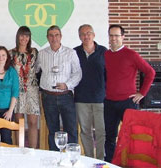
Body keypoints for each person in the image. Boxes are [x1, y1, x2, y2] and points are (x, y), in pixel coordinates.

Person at [104, 24, 155, 162]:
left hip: (128, 102)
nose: (113, 38)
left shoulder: (131, 55)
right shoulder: (107, 55)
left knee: (132, 135)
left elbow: (151, 72)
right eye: (111, 35)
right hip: (109, 102)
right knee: (109, 137)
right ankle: (110, 163)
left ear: (123, 37)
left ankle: (134, 163)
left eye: (116, 35)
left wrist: (142, 93)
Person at [37, 25, 82, 151]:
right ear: (47, 37)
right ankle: (54, 159)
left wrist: (67, 85)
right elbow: (35, 71)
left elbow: (78, 73)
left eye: (56, 35)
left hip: (66, 96)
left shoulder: (71, 53)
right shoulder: (41, 54)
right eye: (51, 35)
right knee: (53, 130)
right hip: (48, 97)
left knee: (71, 129)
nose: (54, 38)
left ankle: (71, 158)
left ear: (61, 36)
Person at [74, 24, 106, 159]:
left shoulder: (104, 51)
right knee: (85, 132)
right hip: (81, 99)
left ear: (93, 35)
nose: (86, 36)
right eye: (82, 34)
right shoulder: (74, 52)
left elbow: (109, 74)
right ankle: (88, 158)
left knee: (101, 132)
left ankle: (99, 159)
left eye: (88, 33)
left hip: (100, 99)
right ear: (79, 36)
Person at [9, 26, 40, 149]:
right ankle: (19, 149)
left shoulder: (34, 52)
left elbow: (38, 69)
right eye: (22, 35)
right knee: (19, 123)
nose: (24, 38)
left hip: (32, 90)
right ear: (17, 36)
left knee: (33, 122)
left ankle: (32, 151)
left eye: (27, 36)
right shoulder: (10, 53)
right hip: (17, 90)